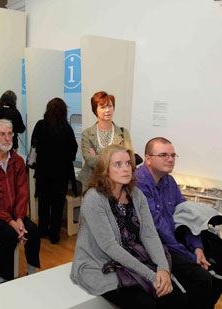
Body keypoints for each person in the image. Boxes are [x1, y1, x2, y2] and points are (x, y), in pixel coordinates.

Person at [70, 144, 186, 308]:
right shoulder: (94, 198)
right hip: (101, 265)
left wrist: (163, 269)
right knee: (144, 303)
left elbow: (149, 234)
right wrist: (150, 275)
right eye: (118, 164)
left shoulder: (136, 194)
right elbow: (109, 246)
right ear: (105, 169)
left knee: (175, 298)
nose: (126, 169)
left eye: (128, 164)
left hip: (135, 257)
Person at [136, 137, 222, 308]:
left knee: (219, 256)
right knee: (202, 277)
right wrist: (189, 255)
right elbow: (158, 229)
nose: (170, 159)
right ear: (148, 159)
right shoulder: (138, 184)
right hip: (155, 245)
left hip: (173, 238)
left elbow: (187, 217)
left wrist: (197, 247)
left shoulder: (169, 181)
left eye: (173, 155)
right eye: (164, 155)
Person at [0, 119, 40, 284]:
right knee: (9, 236)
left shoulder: (17, 160)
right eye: (2, 134)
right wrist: (11, 222)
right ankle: (1, 279)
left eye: (10, 134)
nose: (7, 138)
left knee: (33, 230)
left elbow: (22, 193)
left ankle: (32, 273)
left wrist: (19, 218)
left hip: (13, 213)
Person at [31, 98, 78, 244]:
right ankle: (54, 235)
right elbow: (73, 152)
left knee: (43, 202)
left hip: (43, 172)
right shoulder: (67, 128)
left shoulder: (40, 125)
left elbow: (34, 146)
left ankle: (42, 230)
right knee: (58, 205)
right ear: (64, 111)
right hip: (61, 174)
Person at [78, 91, 133, 189]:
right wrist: (116, 159)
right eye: (102, 107)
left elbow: (129, 158)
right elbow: (90, 160)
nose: (107, 110)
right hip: (92, 184)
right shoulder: (87, 134)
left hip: (117, 184)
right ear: (95, 110)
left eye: (110, 106)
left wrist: (97, 156)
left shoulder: (123, 133)